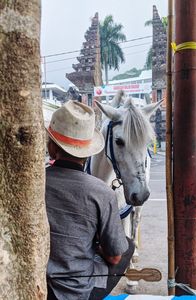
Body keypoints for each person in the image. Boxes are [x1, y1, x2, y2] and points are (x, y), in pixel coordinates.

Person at [45, 100, 134, 300]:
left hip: (38, 281)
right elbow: (114, 256)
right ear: (88, 151)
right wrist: (95, 246)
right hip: (77, 291)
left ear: (52, 149)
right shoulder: (102, 193)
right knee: (127, 247)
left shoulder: (35, 184)